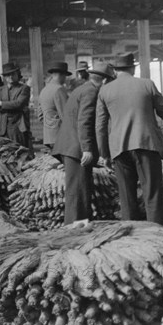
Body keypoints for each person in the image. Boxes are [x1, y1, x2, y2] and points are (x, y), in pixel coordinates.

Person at [96, 53, 163, 224]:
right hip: (146, 144)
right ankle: (157, 234)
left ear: (114, 70)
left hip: (119, 148)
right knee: (152, 193)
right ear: (133, 68)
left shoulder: (105, 90)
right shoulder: (146, 84)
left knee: (126, 196)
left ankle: (131, 237)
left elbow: (101, 126)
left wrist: (104, 154)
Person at [52, 63, 115, 225]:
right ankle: (74, 229)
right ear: (105, 81)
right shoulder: (91, 92)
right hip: (77, 148)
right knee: (78, 191)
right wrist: (87, 150)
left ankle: (79, 224)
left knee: (79, 189)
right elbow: (84, 122)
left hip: (71, 145)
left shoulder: (82, 89)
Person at [0, 62, 31, 148]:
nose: (10, 77)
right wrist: (7, 105)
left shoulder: (24, 88)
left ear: (17, 74)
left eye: (12, 74)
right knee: (4, 153)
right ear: (4, 77)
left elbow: (19, 104)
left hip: (17, 126)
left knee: (19, 152)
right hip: (3, 127)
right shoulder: (0, 89)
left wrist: (1, 104)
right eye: (7, 75)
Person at [37, 61, 69, 148]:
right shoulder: (59, 90)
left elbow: (40, 116)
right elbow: (66, 116)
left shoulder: (44, 90)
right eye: (65, 76)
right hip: (60, 137)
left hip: (48, 137)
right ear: (62, 75)